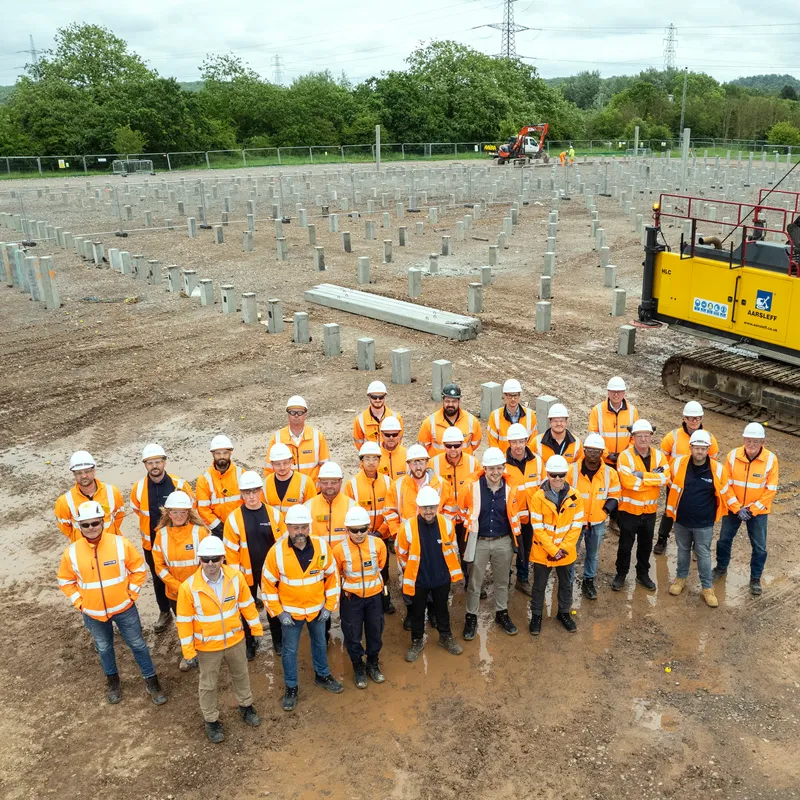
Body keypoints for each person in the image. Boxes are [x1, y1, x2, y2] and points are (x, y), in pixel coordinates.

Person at [57, 500, 167, 706]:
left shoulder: (120, 544)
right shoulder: (71, 552)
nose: (91, 528)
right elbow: (65, 581)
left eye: (95, 523)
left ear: (102, 522)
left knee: (138, 645)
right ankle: (113, 682)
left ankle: (151, 680)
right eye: (86, 525)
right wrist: (80, 603)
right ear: (80, 526)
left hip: (125, 609)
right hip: (93, 613)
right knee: (104, 647)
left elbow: (138, 570)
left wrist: (131, 595)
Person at [176, 536, 261, 743]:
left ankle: (246, 706)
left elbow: (247, 605)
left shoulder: (236, 578)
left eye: (215, 558)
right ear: (200, 560)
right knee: (208, 684)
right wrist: (188, 652)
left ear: (223, 558)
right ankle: (211, 720)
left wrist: (256, 629)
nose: (211, 563)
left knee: (241, 675)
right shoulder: (188, 587)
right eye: (206, 559)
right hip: (207, 647)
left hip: (235, 641)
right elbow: (184, 622)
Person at [261, 504, 343, 712]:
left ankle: (322, 675)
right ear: (287, 527)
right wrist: (279, 613)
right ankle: (291, 688)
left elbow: (332, 578)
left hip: (317, 610)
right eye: (295, 527)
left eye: (303, 527)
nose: (300, 532)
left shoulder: (322, 547)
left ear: (309, 527)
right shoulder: (276, 552)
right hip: (291, 614)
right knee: (289, 651)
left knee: (320, 643)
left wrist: (329, 607)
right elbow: (267, 584)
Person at [131, 443, 195, 633]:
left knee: (184, 573)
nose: (154, 466)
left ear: (165, 462)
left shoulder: (179, 485)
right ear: (145, 465)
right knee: (159, 576)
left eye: (157, 461)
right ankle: (164, 611)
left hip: (179, 541)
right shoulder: (139, 487)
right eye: (150, 463)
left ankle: (189, 606)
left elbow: (190, 510)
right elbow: (137, 509)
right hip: (152, 543)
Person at [459, 448, 523, 640]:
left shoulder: (511, 487)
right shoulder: (472, 487)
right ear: (484, 468)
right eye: (491, 468)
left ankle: (501, 613)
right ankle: (471, 616)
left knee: (502, 581)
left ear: (504, 467)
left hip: (503, 541)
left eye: (499, 468)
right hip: (479, 541)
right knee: (474, 582)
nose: (495, 472)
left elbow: (516, 513)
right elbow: (462, 511)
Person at [396, 487, 464, 662]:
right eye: (425, 507)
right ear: (418, 507)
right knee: (417, 612)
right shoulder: (408, 527)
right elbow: (401, 552)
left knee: (442, 609)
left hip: (441, 578)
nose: (429, 511)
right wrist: (410, 570)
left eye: (432, 507)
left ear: (437, 506)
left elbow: (453, 548)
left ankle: (445, 637)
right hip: (419, 580)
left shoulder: (446, 524)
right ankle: (417, 641)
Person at [665, 431, 731, 607]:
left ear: (708, 449)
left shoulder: (717, 469)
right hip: (681, 520)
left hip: (704, 524)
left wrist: (738, 510)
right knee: (682, 550)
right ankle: (680, 578)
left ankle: (707, 588)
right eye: (696, 448)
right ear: (690, 448)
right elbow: (668, 481)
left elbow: (725, 493)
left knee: (703, 554)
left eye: (703, 449)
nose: (700, 452)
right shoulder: (678, 464)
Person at [223, 470, 285, 659]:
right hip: (244, 575)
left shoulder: (274, 515)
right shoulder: (233, 519)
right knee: (245, 609)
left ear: (260, 491)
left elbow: (282, 546)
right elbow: (230, 553)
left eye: (254, 492)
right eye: (247, 493)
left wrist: (280, 572)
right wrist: (236, 579)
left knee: (272, 606)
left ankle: (278, 639)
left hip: (270, 573)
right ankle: (250, 642)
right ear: (242, 494)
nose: (251, 497)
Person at [713, 422, 779, 596]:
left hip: (758, 512)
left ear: (763, 442)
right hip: (734, 508)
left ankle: (755, 579)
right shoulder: (733, 455)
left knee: (759, 547)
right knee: (724, 540)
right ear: (743, 439)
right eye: (748, 441)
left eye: (756, 442)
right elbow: (725, 484)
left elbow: (770, 490)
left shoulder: (771, 460)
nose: (751, 445)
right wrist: (737, 507)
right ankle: (721, 568)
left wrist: (752, 510)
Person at [151, 490, 209, 669]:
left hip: (199, 589)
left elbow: (208, 563)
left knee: (202, 621)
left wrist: (194, 585)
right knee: (183, 624)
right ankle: (188, 653)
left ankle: (205, 651)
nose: (178, 516)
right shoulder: (161, 535)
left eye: (182, 512)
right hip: (175, 592)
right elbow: (159, 566)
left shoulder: (200, 533)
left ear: (189, 513)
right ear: (168, 514)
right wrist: (177, 586)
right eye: (174, 512)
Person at [527, 456, 585, 635]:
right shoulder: (538, 497)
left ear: (566, 475)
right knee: (539, 585)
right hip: (543, 552)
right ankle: (536, 616)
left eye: (561, 475)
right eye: (554, 475)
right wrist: (553, 550)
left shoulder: (576, 497)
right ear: (548, 474)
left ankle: (564, 613)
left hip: (565, 553)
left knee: (566, 584)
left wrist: (563, 550)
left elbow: (576, 527)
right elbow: (537, 528)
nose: (558, 479)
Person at [332, 506, 388, 688]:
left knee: (375, 631)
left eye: (363, 529)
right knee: (352, 634)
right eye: (354, 530)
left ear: (369, 527)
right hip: (352, 600)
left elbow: (381, 566)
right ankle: (358, 666)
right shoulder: (339, 550)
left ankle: (373, 663)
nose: (359, 534)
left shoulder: (378, 545)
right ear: (347, 530)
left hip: (374, 599)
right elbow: (337, 573)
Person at [654, 401, 720, 555]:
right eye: (690, 418)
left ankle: (696, 546)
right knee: (670, 511)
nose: (694, 421)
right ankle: (662, 539)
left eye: (697, 418)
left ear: (702, 418)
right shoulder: (673, 436)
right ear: (684, 418)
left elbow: (713, 463)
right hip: (675, 484)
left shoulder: (709, 438)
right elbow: (663, 459)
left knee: (696, 512)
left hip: (698, 485)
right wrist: (667, 476)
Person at [614, 419, 670, 591]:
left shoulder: (659, 456)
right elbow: (629, 483)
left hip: (649, 511)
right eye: (640, 436)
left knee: (645, 546)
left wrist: (641, 476)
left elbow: (666, 478)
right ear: (633, 437)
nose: (643, 439)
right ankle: (621, 574)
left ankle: (642, 574)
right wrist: (652, 479)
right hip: (629, 511)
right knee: (625, 545)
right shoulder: (625, 457)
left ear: (651, 437)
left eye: (647, 436)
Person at [566, 434, 620, 600]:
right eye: (590, 450)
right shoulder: (572, 470)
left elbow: (615, 494)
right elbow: (564, 493)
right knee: (570, 553)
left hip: (597, 521)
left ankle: (588, 580)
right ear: (584, 450)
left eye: (597, 451)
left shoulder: (609, 473)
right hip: (575, 523)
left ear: (602, 452)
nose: (593, 454)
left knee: (593, 554)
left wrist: (605, 511)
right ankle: (567, 582)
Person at [344, 442, 394, 614]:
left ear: (380, 460)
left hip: (382, 535)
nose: (371, 462)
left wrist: (381, 532)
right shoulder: (352, 485)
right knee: (361, 567)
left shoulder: (388, 482)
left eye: (375, 458)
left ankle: (384, 598)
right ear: (361, 461)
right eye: (367, 458)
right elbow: (348, 512)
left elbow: (391, 511)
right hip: (360, 535)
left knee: (383, 569)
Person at [430, 427, 479, 576]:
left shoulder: (473, 463)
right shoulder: (433, 464)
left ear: (462, 445)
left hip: (466, 518)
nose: (452, 449)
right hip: (443, 519)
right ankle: (444, 580)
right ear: (443, 445)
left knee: (469, 552)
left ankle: (470, 580)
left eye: (456, 445)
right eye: (448, 445)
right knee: (443, 550)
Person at [504, 422, 544, 595]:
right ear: (509, 443)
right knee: (506, 549)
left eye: (521, 441)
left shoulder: (537, 461)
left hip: (530, 517)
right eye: (514, 442)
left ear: (527, 441)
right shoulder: (503, 465)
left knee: (525, 549)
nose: (518, 446)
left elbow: (544, 487)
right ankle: (505, 577)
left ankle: (522, 578)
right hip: (509, 517)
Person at [54, 450, 124, 543]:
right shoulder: (64, 501)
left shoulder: (112, 492)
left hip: (111, 545)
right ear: (73, 474)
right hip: (83, 551)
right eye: (79, 473)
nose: (83, 476)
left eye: (87, 471)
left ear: (94, 470)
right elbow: (65, 527)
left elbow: (119, 515)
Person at [265, 395, 330, 483]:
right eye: (292, 412)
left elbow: (326, 467)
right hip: (288, 491)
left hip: (313, 491)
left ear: (305, 414)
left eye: (300, 412)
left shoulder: (317, 436)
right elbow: (269, 469)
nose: (296, 415)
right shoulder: (277, 438)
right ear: (288, 414)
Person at [195, 435, 243, 538]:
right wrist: (220, 528)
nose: (222, 456)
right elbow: (203, 509)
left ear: (230, 453)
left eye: (225, 453)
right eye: (218, 453)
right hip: (217, 531)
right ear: (212, 454)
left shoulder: (241, 474)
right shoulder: (203, 480)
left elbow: (248, 501)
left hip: (240, 526)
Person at [417, 383, 482, 456]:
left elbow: (475, 444)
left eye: (454, 401)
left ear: (459, 401)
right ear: (443, 401)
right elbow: (422, 447)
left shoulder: (472, 421)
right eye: (447, 401)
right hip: (438, 466)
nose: (450, 404)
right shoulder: (429, 422)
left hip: (464, 465)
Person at [587, 377, 639, 467]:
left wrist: (625, 454)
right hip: (603, 461)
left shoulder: (632, 411)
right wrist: (606, 454)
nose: (616, 395)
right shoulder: (597, 410)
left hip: (625, 461)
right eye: (613, 392)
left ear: (624, 393)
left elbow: (636, 436)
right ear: (608, 392)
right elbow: (593, 436)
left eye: (619, 392)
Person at [263, 442, 317, 515]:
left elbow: (313, 510)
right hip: (275, 526)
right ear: (272, 464)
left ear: (291, 461)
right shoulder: (265, 483)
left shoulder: (306, 482)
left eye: (285, 463)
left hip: (297, 525)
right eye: (278, 464)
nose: (282, 468)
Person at [486, 379, 537, 449]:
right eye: (510, 395)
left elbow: (532, 442)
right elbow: (493, 443)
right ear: (504, 395)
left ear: (519, 395)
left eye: (515, 395)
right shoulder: (495, 416)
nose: (513, 399)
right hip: (503, 458)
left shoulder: (530, 415)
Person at [352, 380, 404, 450]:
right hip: (371, 459)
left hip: (389, 457)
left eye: (381, 397)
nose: (378, 400)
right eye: (374, 397)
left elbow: (398, 441)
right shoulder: (360, 419)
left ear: (385, 396)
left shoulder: (396, 417)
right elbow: (358, 443)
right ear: (369, 397)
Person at [378, 415, 408, 481]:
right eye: (387, 435)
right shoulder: (375, 455)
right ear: (382, 435)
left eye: (394, 435)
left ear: (399, 435)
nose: (391, 438)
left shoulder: (407, 455)